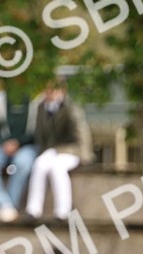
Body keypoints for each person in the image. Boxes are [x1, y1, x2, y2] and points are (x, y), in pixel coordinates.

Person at [24, 79, 92, 221]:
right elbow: (40, 134)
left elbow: (81, 132)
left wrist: (85, 156)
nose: (48, 93)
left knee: (57, 168)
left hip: (71, 150)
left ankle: (63, 211)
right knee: (39, 165)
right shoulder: (41, 107)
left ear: (62, 91)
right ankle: (33, 209)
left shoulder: (71, 107)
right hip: (52, 150)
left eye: (52, 90)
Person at [0, 81, 39, 223]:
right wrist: (3, 142)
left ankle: (7, 208)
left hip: (27, 145)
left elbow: (38, 132)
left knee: (23, 163)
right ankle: (5, 205)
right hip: (3, 146)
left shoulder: (35, 101)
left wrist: (18, 142)